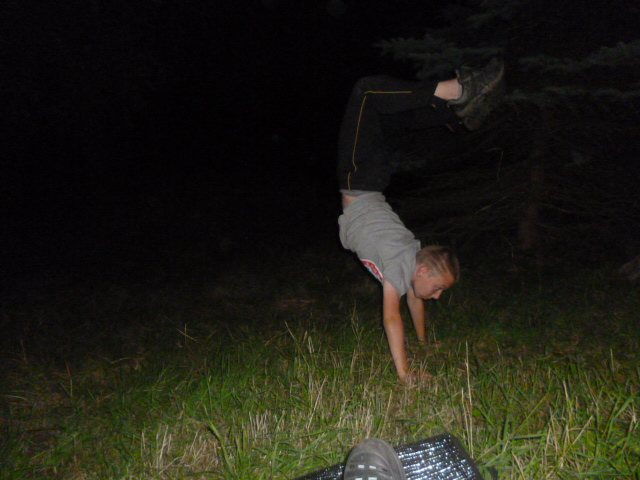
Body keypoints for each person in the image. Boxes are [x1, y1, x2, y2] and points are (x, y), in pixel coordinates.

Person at [337, 58, 505, 382]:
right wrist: (406, 375)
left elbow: (415, 301)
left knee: (385, 115)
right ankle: (459, 91)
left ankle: (454, 115)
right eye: (439, 288)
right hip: (360, 180)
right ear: (423, 270)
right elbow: (392, 318)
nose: (437, 296)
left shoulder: (411, 260)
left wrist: (424, 342)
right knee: (366, 92)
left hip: (371, 181)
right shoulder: (401, 266)